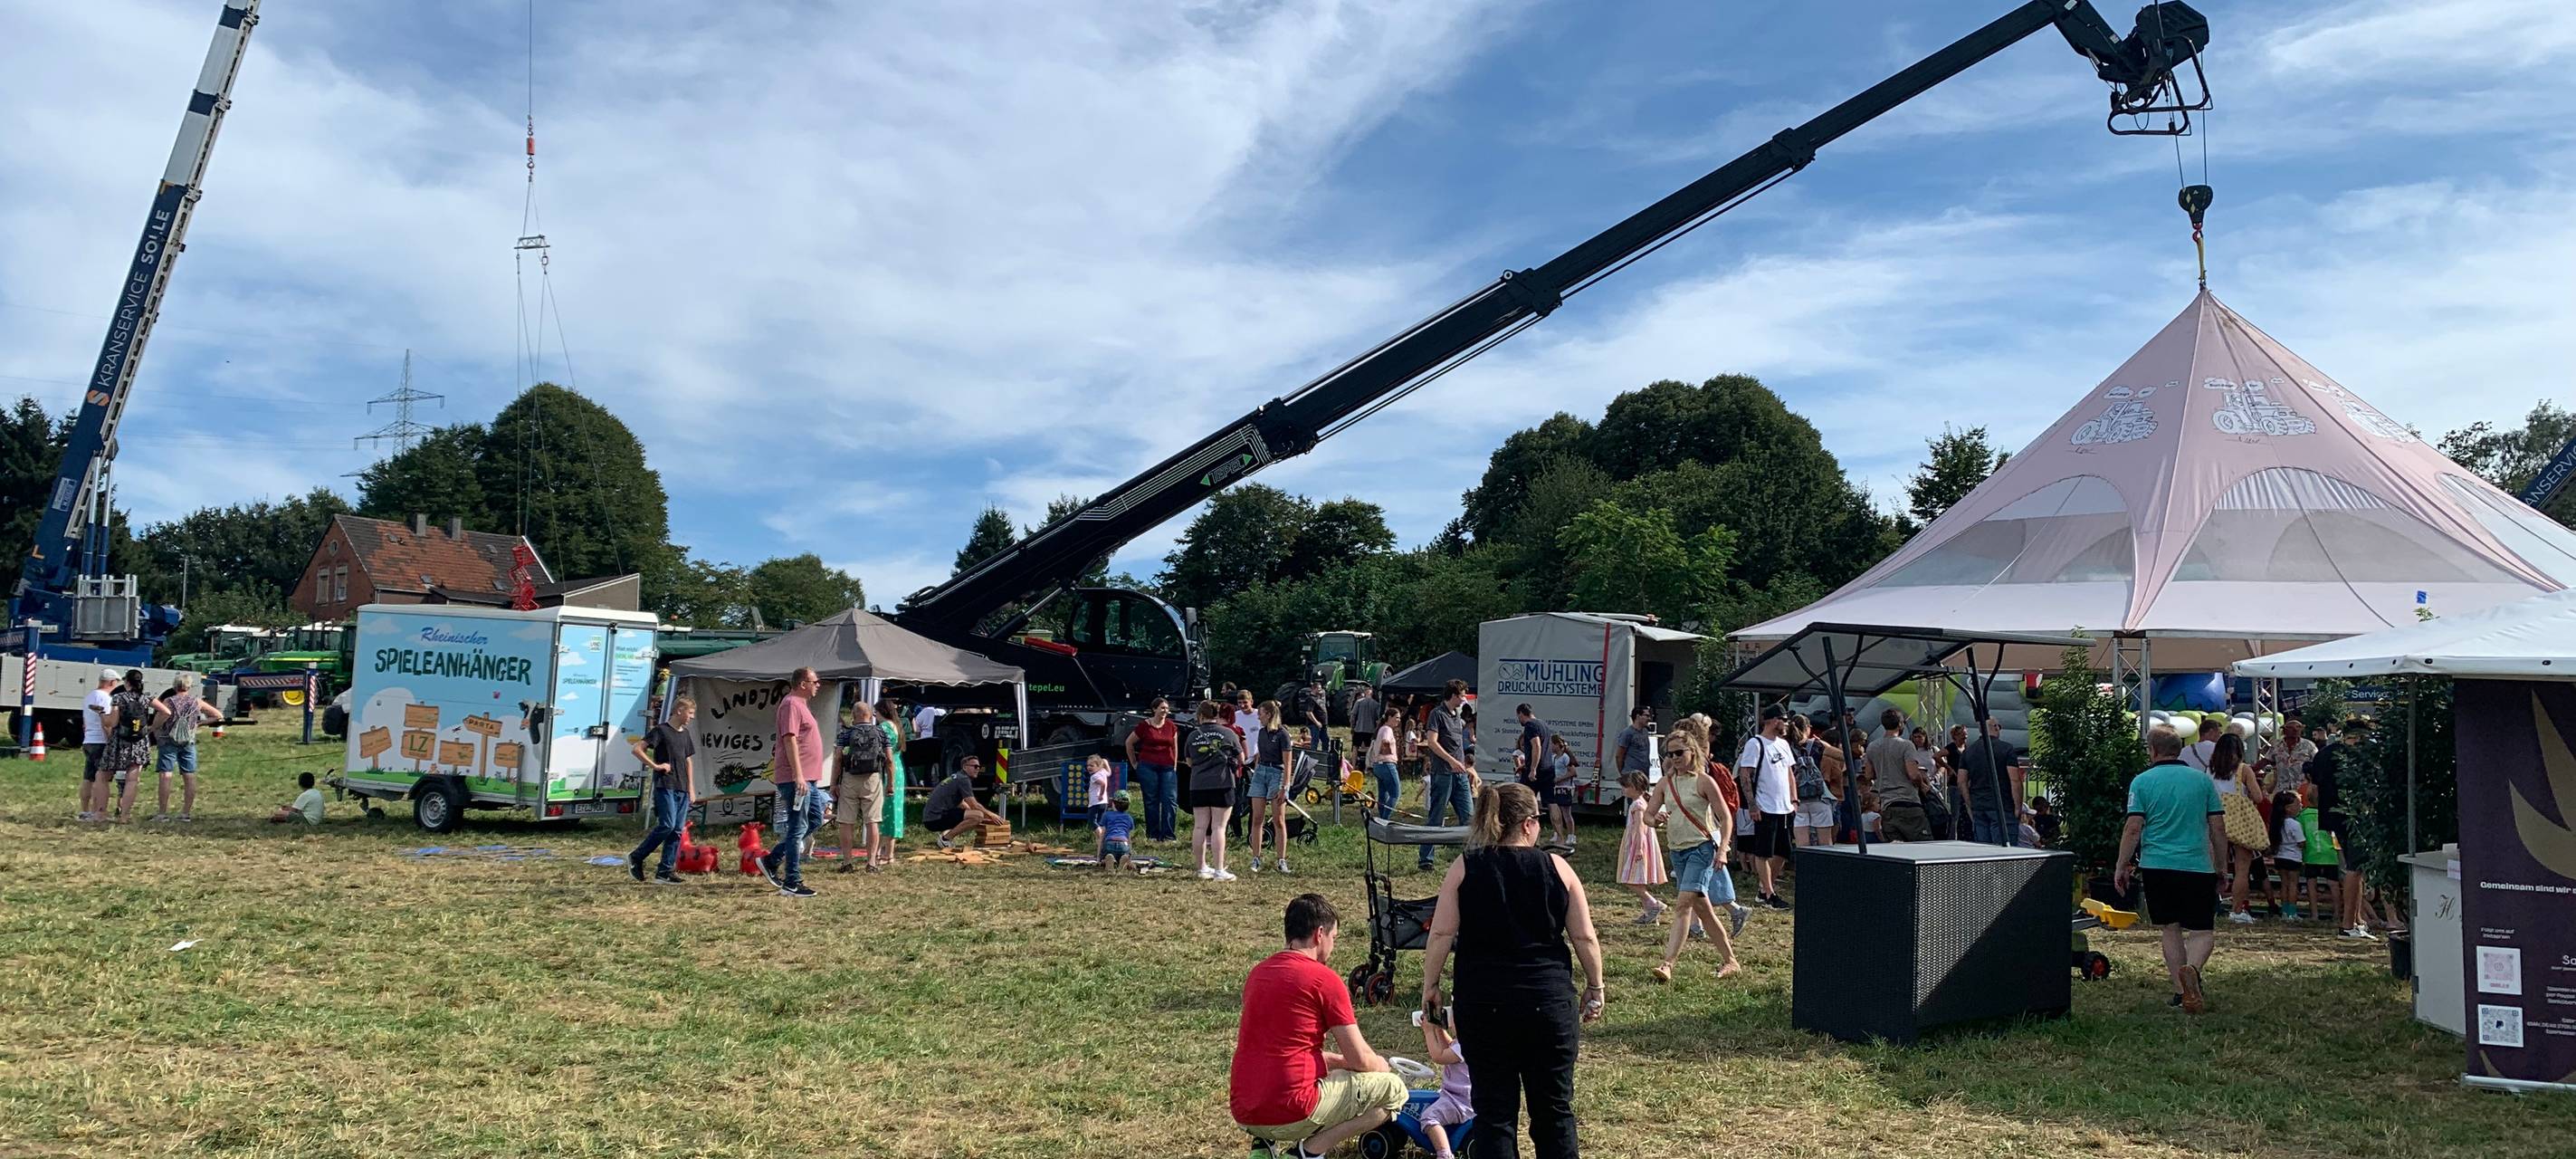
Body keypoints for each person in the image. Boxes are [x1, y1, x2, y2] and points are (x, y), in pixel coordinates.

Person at [1420, 783, 1604, 1159]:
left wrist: (1431, 985)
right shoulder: (1558, 867)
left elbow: (1440, 932)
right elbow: (1584, 937)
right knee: (1553, 1112)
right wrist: (1595, 986)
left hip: (1484, 1003)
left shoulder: (1465, 867)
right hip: (1548, 1003)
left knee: (1494, 1115)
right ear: (1530, 824)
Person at [1230, 895, 1409, 1158]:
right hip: (1292, 1110)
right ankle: (1310, 1152)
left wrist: (1337, 1062)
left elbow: (1285, 1050)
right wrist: (1381, 1066)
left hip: (1244, 1109)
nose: (1332, 946)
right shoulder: (1324, 979)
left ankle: (1263, 1144)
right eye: (1334, 938)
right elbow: (1359, 1058)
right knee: (1394, 1091)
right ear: (1319, 933)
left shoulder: (1258, 974)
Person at [2115, 726, 2228, 1014]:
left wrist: (2122, 865)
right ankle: (2193, 968)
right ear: (2179, 749)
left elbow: (2133, 828)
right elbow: (2217, 827)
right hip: (2197, 865)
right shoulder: (2202, 782)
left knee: (2170, 928)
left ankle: (2181, 991)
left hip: (2157, 866)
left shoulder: (2142, 782)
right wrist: (2221, 867)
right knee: (2203, 929)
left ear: (2152, 750)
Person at [1647, 734, 1743, 982]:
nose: (1674, 759)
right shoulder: (1664, 784)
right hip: (1677, 850)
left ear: (1692, 753)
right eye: (1670, 754)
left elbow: (1725, 817)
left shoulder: (1704, 781)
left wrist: (1723, 849)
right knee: (1704, 910)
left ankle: (1667, 964)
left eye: (1679, 753)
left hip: (1701, 849)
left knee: (1683, 905)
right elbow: (1648, 815)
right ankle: (1731, 961)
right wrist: (1655, 819)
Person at [757, 667, 826, 897]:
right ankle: (792, 882)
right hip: (797, 778)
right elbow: (790, 739)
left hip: (809, 779)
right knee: (798, 827)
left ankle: (771, 860)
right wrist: (798, 775)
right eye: (815, 681)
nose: (818, 685)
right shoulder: (791, 704)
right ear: (802, 683)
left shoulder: (801, 705)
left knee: (815, 819)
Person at [626, 695, 698, 885]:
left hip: (682, 786)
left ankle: (665, 871)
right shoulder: (661, 731)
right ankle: (637, 856)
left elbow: (688, 760)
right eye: (690, 713)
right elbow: (637, 749)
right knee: (666, 825)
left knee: (676, 830)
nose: (692, 717)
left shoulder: (686, 734)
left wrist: (691, 787)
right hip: (665, 785)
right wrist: (655, 766)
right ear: (679, 711)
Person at [1417, 680, 1474, 871]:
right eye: (1462, 695)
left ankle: (1473, 858)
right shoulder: (1437, 714)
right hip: (1443, 773)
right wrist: (1451, 760)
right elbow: (1432, 742)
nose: (1464, 699)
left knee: (1469, 817)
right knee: (1436, 817)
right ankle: (1426, 859)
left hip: (1460, 774)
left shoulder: (1457, 715)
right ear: (1453, 695)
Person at [1187, 700, 1244, 881]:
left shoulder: (1192, 735)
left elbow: (1189, 762)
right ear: (1217, 714)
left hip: (1198, 784)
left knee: (1200, 826)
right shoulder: (1228, 733)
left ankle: (1201, 867)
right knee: (1219, 826)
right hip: (1223, 783)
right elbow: (1241, 757)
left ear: (1200, 715)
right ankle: (1219, 869)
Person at [833, 700, 892, 874]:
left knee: (846, 821)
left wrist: (834, 783)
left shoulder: (846, 733)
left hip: (850, 778)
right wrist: (891, 783)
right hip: (873, 778)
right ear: (870, 715)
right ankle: (872, 862)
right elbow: (889, 759)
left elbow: (837, 758)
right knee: (872, 821)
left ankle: (847, 862)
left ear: (853, 715)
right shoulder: (881, 733)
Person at [2210, 732, 2263, 923]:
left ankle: (2212, 904)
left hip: (2215, 819)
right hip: (2240, 822)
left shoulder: (2210, 770)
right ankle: (2238, 910)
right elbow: (2258, 797)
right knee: (2242, 869)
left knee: (2217, 867)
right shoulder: (2243, 769)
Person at [148, 672, 214, 822]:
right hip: (188, 741)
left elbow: (160, 719)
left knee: (166, 774)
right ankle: (185, 813)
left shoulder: (169, 701)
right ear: (189, 686)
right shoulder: (196, 702)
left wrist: (152, 729)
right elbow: (217, 715)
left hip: (168, 740)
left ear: (175, 685)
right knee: (189, 775)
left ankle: (162, 813)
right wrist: (200, 723)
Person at [1865, 710, 1932, 841]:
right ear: (1900, 724)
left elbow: (1868, 775)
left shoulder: (1872, 747)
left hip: (1887, 806)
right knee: (1923, 847)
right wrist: (1923, 786)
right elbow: (1913, 775)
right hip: (1908, 803)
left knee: (1896, 851)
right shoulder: (1906, 745)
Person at [1415, 1007, 1472, 1159]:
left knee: (1429, 1117)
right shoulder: (1464, 1042)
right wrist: (1439, 1030)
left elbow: (1438, 1056)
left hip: (1459, 1101)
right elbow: (1449, 1046)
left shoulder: (1464, 1047)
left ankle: (1444, 1154)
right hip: (1456, 1096)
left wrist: (1428, 1032)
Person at [1961, 716, 2025, 846]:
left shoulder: (1968, 752)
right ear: (1996, 727)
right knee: (2005, 852)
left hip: (1979, 806)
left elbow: (1961, 782)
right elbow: (2015, 780)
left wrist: (1970, 804)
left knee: (1985, 852)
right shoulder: (2006, 749)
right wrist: (2018, 807)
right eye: (1998, 726)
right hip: (2003, 806)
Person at [1613, 770, 1667, 924]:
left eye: (1626, 786)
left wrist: (1639, 849)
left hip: (1638, 844)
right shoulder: (1641, 803)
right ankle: (1650, 915)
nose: (1623, 789)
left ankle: (1654, 904)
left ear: (1635, 787)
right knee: (1639, 880)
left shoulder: (1638, 805)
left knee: (1629, 879)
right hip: (1639, 843)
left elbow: (1639, 829)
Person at [1126, 696, 1182, 842]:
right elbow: (1129, 743)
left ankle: (1168, 835)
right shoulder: (1145, 725)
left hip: (1167, 767)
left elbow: (1175, 747)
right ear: (1154, 709)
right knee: (1151, 800)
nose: (1165, 711)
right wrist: (1134, 763)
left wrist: (1174, 765)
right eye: (1162, 708)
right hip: (1147, 766)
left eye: (1167, 708)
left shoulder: (1171, 726)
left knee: (1170, 800)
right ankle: (1153, 834)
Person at [1247, 702, 1294, 876]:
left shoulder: (1283, 734)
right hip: (1261, 772)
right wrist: (1256, 772)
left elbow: (1288, 762)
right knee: (1257, 817)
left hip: (1277, 773)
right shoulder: (1261, 732)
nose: (1258, 717)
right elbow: (1259, 755)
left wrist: (1285, 786)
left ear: (1268, 714)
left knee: (1278, 819)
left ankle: (1281, 859)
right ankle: (1256, 857)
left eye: (1260, 714)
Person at [107, 670, 155, 824]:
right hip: (139, 741)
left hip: (121, 741)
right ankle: (125, 815)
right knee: (133, 780)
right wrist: (151, 727)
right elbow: (166, 711)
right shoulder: (146, 698)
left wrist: (103, 715)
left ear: (127, 682)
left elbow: (113, 723)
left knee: (112, 774)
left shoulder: (118, 698)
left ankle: (114, 808)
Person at [924, 755, 1005, 844]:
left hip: (930, 818)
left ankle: (945, 835)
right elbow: (974, 805)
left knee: (973, 814)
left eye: (979, 767)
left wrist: (971, 815)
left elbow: (962, 804)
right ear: (965, 767)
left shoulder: (957, 777)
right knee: (978, 816)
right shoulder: (963, 779)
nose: (977, 769)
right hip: (935, 819)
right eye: (974, 766)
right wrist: (991, 815)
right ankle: (945, 840)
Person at [1790, 714, 1840, 848]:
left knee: (1802, 844)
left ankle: (1804, 867)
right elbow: (1843, 756)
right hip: (1819, 798)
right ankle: (1824, 868)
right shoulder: (1817, 745)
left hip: (1797, 799)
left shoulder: (1785, 746)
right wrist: (1825, 744)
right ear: (1808, 728)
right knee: (1825, 843)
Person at [79, 667, 119, 822]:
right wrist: (111, 741)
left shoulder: (89, 697)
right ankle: (97, 811)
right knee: (101, 778)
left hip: (88, 739)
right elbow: (107, 722)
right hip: (101, 741)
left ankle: (84, 810)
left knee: (88, 777)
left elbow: (84, 722)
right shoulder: (106, 699)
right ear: (111, 682)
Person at [874, 698, 908, 867]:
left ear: (881, 712)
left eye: (876, 712)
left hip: (887, 771)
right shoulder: (897, 726)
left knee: (883, 813)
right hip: (898, 769)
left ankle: (880, 853)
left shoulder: (884, 728)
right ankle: (890, 853)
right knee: (894, 812)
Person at [2266, 790, 2307, 920]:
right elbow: (2301, 842)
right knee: (2293, 884)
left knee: (2284, 884)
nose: (2300, 807)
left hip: (2280, 857)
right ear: (2288, 808)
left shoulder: (2276, 824)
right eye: (2298, 804)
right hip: (2293, 857)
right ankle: (2292, 912)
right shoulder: (2295, 824)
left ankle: (2284, 911)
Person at [2262, 718, 2316, 796]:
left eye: (2298, 727)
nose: (2295, 730)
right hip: (2282, 790)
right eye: (2291, 728)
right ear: (2285, 730)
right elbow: (2265, 760)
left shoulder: (2309, 745)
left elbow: (2318, 762)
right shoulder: (2277, 745)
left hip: (2303, 788)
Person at [1543, 733, 1579, 850]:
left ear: (1558, 745)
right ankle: (1556, 832)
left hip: (1566, 788)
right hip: (1556, 788)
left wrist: (1560, 779)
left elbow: (1573, 772)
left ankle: (1571, 835)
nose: (1551, 747)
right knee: (1556, 811)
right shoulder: (1554, 758)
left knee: (1566, 812)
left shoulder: (1565, 757)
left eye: (1552, 744)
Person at [1368, 708, 1401, 823]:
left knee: (1383, 794)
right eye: (1397, 717)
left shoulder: (1380, 729)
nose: (1399, 720)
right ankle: (1385, 820)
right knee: (1395, 794)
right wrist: (1387, 753)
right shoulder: (1387, 729)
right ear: (1390, 717)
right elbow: (1385, 741)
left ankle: (1380, 819)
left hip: (1378, 765)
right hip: (1387, 764)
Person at [1612, 705, 1655, 784]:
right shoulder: (1627, 733)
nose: (1649, 719)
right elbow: (1619, 755)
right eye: (1646, 716)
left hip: (1644, 774)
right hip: (1631, 775)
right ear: (1638, 716)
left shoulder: (1645, 731)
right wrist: (1623, 773)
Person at [1097, 792, 1135, 871]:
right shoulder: (1129, 818)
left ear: (1114, 804)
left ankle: (1108, 858)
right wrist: (1130, 857)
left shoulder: (1107, 815)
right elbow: (1129, 838)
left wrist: (1099, 856)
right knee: (1124, 855)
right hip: (1123, 844)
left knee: (1106, 856)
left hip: (1109, 843)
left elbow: (1102, 835)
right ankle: (1124, 858)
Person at [1348, 684, 1379, 752]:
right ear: (1372, 694)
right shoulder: (1376, 704)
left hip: (1359, 728)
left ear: (1365, 693)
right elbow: (1378, 718)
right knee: (1369, 747)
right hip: (1371, 730)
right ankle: (1367, 762)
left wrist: (1352, 727)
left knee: (1355, 747)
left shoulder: (1359, 702)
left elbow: (1353, 715)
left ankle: (1353, 762)